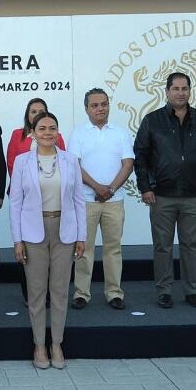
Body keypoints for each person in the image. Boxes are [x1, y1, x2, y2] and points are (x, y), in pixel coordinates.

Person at [134, 72, 196, 309]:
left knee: (191, 246)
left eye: (185, 89)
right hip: (161, 196)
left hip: (193, 197)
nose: (180, 93)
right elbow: (140, 157)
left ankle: (192, 291)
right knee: (162, 247)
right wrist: (145, 187)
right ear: (166, 91)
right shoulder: (153, 121)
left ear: (190, 91)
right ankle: (164, 291)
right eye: (176, 89)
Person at [9, 112, 86, 370]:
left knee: (61, 291)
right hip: (33, 232)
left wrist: (81, 235)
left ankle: (57, 344)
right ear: (33, 131)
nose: (47, 133)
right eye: (42, 128)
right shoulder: (22, 162)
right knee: (37, 292)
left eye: (52, 128)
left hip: (64, 230)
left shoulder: (70, 160)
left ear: (58, 131)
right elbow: (16, 203)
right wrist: (17, 239)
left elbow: (78, 200)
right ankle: (39, 345)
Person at [68, 88, 134, 311]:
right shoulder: (78, 134)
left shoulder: (121, 133)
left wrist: (111, 189)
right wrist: (97, 188)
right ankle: (81, 293)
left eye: (104, 104)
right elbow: (74, 165)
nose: (100, 109)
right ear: (86, 109)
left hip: (114, 201)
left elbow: (128, 164)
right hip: (86, 200)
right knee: (83, 249)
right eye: (95, 105)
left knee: (113, 248)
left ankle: (114, 292)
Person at [5, 97, 66, 306]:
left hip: (53, 201)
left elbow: (64, 163)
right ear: (28, 115)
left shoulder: (57, 137)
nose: (37, 114)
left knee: (52, 256)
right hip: (25, 197)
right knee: (29, 254)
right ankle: (29, 295)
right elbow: (11, 163)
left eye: (41, 111)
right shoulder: (17, 135)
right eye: (33, 111)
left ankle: (51, 295)